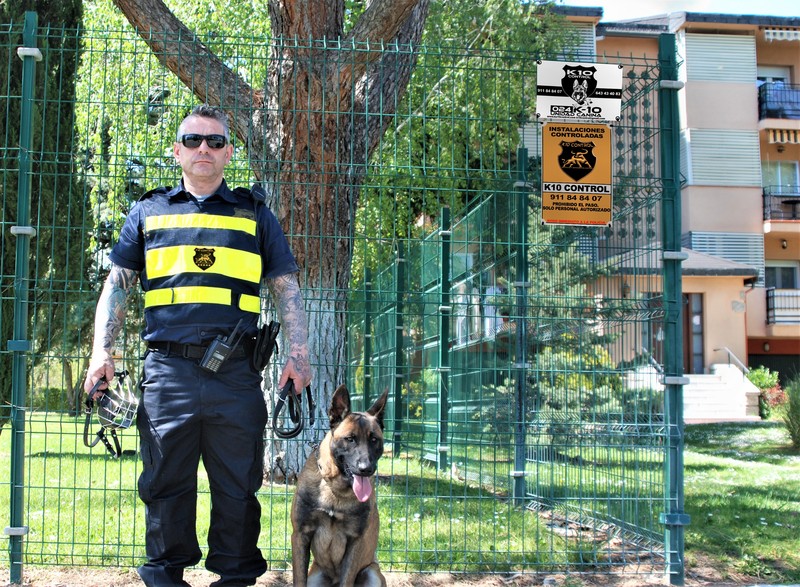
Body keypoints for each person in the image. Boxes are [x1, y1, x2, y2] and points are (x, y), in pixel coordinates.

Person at [83, 104, 312, 587]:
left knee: (238, 487)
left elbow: (285, 286)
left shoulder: (255, 214)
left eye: (214, 141)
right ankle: (165, 576)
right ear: (177, 151)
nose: (203, 148)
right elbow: (117, 285)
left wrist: (299, 354)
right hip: (168, 374)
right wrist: (101, 352)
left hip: (237, 374)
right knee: (164, 483)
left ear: (228, 153)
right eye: (192, 140)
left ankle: (235, 577)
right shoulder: (148, 212)